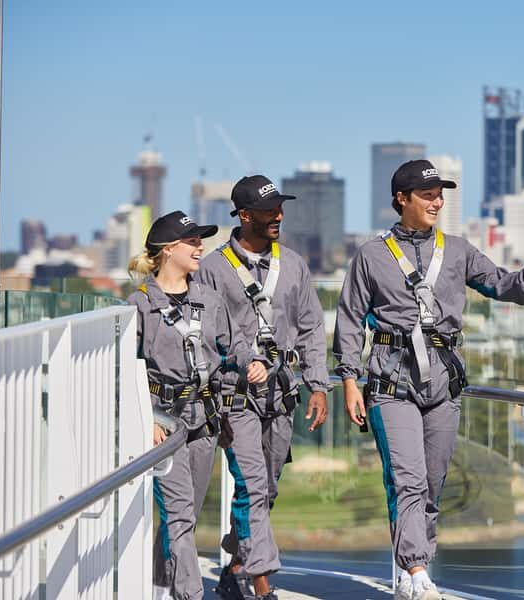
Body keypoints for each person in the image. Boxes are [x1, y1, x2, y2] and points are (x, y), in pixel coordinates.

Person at [333, 159, 524, 600]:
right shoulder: (370, 255)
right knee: (407, 478)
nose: (437, 201)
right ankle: (417, 570)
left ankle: (411, 572)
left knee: (433, 483)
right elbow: (348, 322)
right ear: (401, 199)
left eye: (440, 194)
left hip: (443, 384)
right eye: (427, 194)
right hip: (391, 383)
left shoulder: (458, 250)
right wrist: (348, 380)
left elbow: (502, 285)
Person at [195, 175, 330, 600]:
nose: (279, 216)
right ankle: (262, 585)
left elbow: (311, 328)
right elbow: (206, 336)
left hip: (283, 394)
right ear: (244, 215)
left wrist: (319, 385)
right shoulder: (213, 269)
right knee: (252, 485)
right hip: (235, 398)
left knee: (266, 489)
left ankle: (235, 564)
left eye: (280, 209)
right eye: (270, 210)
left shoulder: (294, 264)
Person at [127, 210, 268, 600]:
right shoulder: (139, 306)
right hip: (163, 425)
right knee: (179, 513)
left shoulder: (209, 298)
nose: (200, 246)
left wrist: (253, 362)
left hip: (204, 421)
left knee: (182, 517)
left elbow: (234, 344)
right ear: (168, 250)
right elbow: (125, 369)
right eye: (191, 241)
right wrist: (146, 420)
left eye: (200, 240)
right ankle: (190, 594)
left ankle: (159, 587)